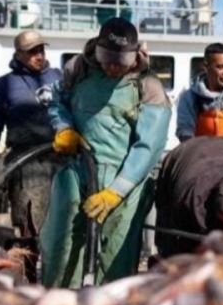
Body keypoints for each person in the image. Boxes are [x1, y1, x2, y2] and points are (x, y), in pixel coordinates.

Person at [39, 17, 171, 287]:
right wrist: (63, 128)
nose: (112, 68)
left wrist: (116, 192)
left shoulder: (149, 87)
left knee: (117, 256)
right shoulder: (78, 69)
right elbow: (57, 100)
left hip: (125, 180)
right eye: (107, 60)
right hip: (77, 168)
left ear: (134, 58)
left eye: (120, 63)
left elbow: (148, 147)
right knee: (62, 243)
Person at [0, 30, 62, 243]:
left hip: (63, 158)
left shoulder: (59, 77)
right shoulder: (2, 86)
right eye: (32, 51)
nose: (39, 55)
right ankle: (32, 270)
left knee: (66, 221)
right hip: (26, 165)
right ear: (18, 54)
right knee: (31, 225)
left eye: (41, 49)